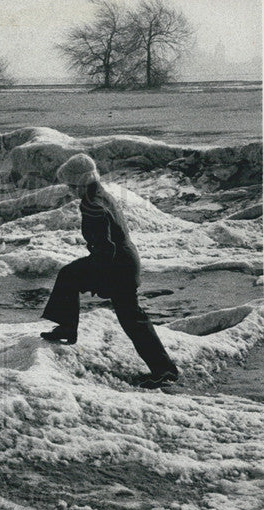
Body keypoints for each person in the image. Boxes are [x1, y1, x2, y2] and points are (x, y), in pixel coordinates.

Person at [40, 153, 179, 389]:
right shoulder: (102, 195)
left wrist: (101, 280)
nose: (70, 191)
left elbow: (105, 249)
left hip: (117, 265)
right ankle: (67, 327)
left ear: (81, 182)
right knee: (72, 276)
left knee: (131, 318)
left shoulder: (92, 205)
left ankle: (164, 371)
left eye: (71, 186)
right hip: (124, 260)